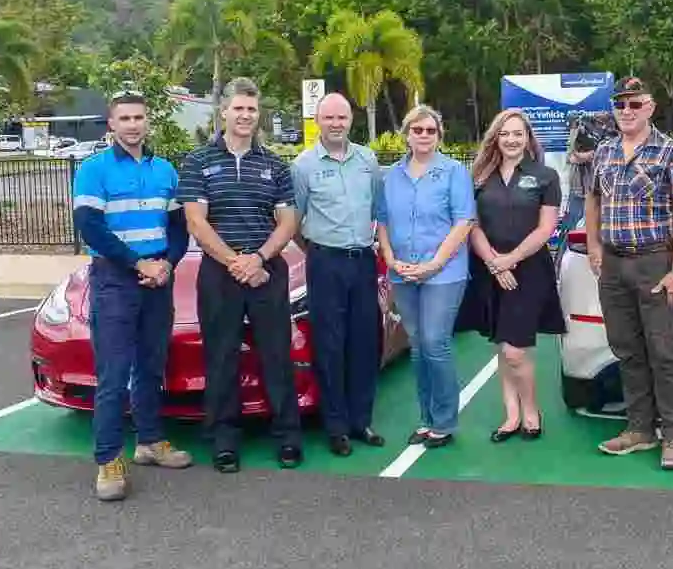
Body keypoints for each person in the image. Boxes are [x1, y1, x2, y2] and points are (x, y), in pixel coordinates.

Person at [177, 77, 303, 474]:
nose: (245, 115)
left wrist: (260, 260)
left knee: (276, 355)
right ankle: (224, 438)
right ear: (224, 112)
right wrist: (236, 262)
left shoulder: (275, 164)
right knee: (221, 356)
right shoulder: (198, 161)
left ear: (257, 113)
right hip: (219, 272)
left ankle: (287, 436)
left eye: (252, 109)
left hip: (267, 272)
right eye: (238, 108)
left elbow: (287, 221)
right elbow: (196, 221)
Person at [72, 91, 192, 502]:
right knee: (113, 374)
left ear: (147, 122)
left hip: (158, 279)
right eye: (124, 118)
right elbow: (91, 227)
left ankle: (150, 441)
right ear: (111, 124)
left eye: (139, 117)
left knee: (151, 366)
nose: (133, 124)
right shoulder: (94, 169)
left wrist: (167, 265)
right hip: (115, 281)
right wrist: (138, 264)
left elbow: (178, 228)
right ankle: (108, 460)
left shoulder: (164, 170)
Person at [584, 76, 673, 470]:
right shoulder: (604, 152)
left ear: (651, 107)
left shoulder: (672, 153)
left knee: (664, 352)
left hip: (655, 262)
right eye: (620, 105)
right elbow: (593, 200)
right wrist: (596, 248)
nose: (626, 111)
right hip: (614, 265)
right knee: (627, 349)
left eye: (635, 104)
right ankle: (639, 429)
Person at [455, 109, 566, 442]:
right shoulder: (478, 177)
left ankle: (531, 411)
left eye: (518, 133)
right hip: (489, 270)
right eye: (505, 133)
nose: (512, 140)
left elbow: (546, 228)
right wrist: (493, 262)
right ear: (496, 138)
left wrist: (510, 261)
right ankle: (511, 415)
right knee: (502, 346)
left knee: (516, 350)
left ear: (528, 138)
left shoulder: (545, 176)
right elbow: (471, 225)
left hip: (528, 271)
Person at [376, 104, 475, 449]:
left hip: (444, 274)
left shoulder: (453, 173)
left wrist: (434, 263)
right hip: (403, 273)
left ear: (439, 135)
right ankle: (427, 418)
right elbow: (383, 222)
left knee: (436, 341)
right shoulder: (390, 176)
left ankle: (445, 421)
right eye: (417, 130)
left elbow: (464, 221)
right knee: (418, 347)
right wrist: (389, 258)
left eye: (430, 130)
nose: (423, 136)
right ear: (406, 134)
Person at [291, 92, 385, 457]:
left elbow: (378, 209)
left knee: (364, 341)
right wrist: (318, 250)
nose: (336, 124)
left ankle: (361, 421)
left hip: (362, 260)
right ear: (318, 120)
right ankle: (336, 427)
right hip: (324, 262)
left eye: (342, 118)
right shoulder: (303, 166)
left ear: (351, 120)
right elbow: (294, 222)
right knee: (329, 344)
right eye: (328, 118)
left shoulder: (368, 160)